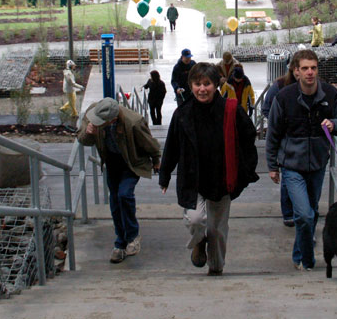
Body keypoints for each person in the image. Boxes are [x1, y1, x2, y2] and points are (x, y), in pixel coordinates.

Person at [159, 62, 259, 276]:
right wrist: (165, 175)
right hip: (193, 177)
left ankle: (216, 266)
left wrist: (247, 168)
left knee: (217, 229)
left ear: (216, 85)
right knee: (196, 219)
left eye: (207, 84)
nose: (202, 89)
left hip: (222, 177)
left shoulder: (231, 110)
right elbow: (172, 146)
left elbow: (249, 137)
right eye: (197, 84)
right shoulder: (182, 114)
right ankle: (198, 241)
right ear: (190, 85)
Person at [266, 49, 337, 271]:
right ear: (296, 71)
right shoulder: (284, 98)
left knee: (310, 212)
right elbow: (272, 132)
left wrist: (334, 124)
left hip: (318, 164)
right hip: (292, 165)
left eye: (313, 68)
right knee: (303, 214)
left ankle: (297, 256)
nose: (310, 72)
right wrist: (272, 166)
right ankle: (308, 260)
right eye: (304, 68)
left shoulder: (331, 95)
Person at [79, 98, 161, 264]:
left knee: (124, 195)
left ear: (112, 120)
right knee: (115, 201)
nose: (97, 123)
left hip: (131, 163)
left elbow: (150, 144)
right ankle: (120, 242)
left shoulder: (133, 122)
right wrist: (89, 132)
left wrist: (156, 160)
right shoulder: (94, 113)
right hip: (111, 161)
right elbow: (82, 140)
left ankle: (132, 236)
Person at [261, 52, 302, 228]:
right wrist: (278, 122)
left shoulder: (316, 87)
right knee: (287, 179)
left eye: (311, 68)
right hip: (286, 142)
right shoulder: (279, 86)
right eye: (301, 68)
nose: (306, 73)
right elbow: (265, 108)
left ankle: (302, 213)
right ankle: (289, 213)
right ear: (292, 69)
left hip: (305, 143)